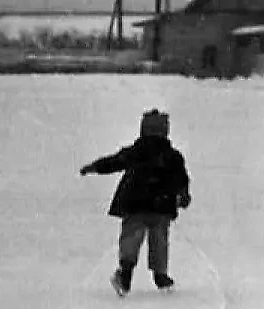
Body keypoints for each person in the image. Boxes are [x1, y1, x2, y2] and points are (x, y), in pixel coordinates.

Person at [79, 109, 191, 296]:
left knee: (131, 237)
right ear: (165, 131)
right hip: (161, 206)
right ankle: (161, 276)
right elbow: (181, 179)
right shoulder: (173, 157)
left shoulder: (136, 152)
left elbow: (115, 162)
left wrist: (95, 167)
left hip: (136, 203)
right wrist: (184, 195)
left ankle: (126, 273)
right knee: (159, 240)